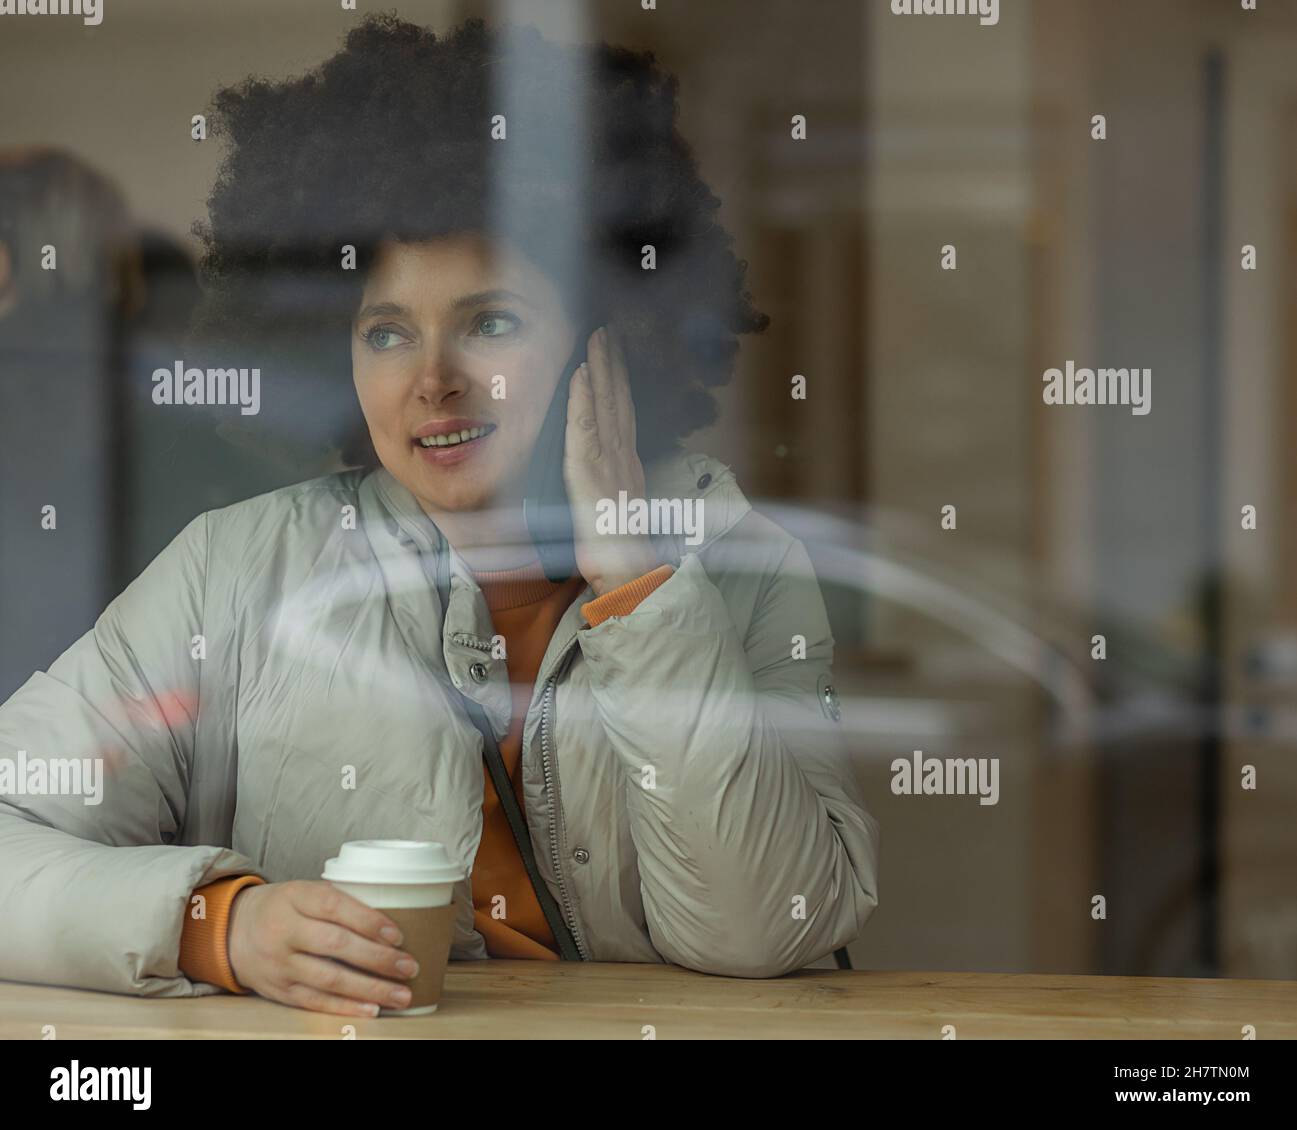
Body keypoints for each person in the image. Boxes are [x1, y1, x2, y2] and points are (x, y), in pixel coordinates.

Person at [0, 14, 879, 1017]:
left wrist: (637, 582)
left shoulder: (731, 561)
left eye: (489, 322)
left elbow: (763, 928)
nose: (433, 381)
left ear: (608, 339)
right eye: (385, 332)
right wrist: (213, 922)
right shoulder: (236, 568)